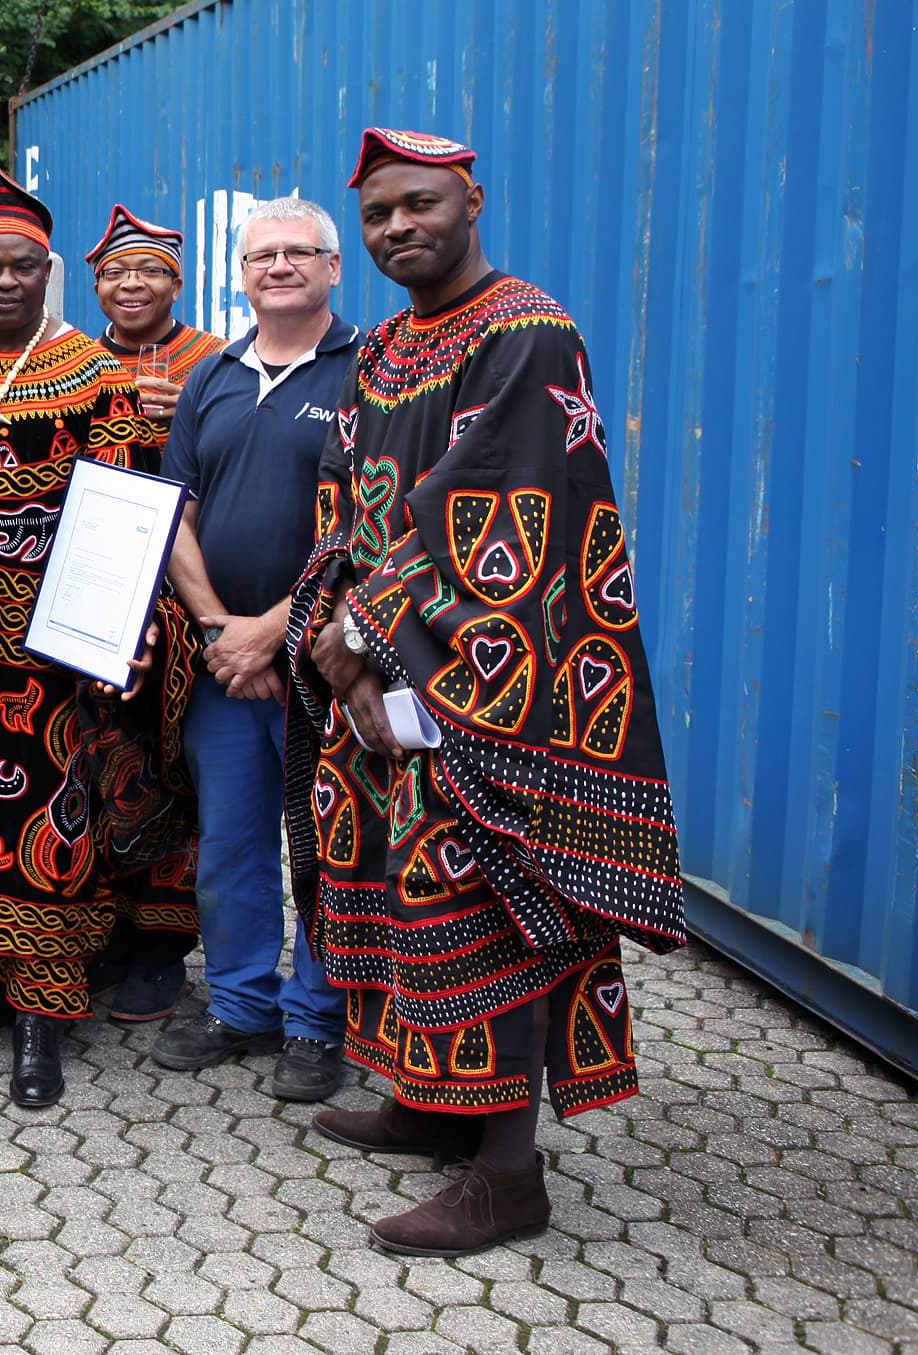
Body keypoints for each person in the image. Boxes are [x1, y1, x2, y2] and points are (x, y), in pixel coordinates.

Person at [290, 128, 684, 1255]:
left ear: (471, 200)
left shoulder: (525, 331)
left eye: (418, 204)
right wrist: (335, 631)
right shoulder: (381, 346)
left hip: (488, 680)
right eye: (377, 214)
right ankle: (427, 1099)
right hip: (386, 665)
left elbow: (502, 508)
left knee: (483, 897)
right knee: (393, 883)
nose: (396, 228)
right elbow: (345, 493)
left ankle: (507, 1173)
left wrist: (363, 633)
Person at [0, 168, 198, 1109]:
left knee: (49, 820)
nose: (5, 281)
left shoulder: (93, 373)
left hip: (49, 651)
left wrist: (118, 634)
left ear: (48, 272)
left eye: (22, 266)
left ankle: (42, 1013)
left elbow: (129, 509)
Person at [149, 196, 358, 1104]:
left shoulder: (370, 370)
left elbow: (368, 525)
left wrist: (275, 629)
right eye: (261, 255)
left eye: (297, 252)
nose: (278, 266)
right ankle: (241, 1004)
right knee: (231, 843)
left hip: (324, 667)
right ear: (240, 275)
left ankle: (317, 1020)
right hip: (223, 667)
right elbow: (175, 514)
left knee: (324, 845)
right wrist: (218, 631)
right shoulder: (214, 374)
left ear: (332, 267)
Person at [78, 204, 225, 1023]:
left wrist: (180, 425)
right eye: (115, 271)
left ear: (176, 282)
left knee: (175, 769)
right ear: (96, 284)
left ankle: (163, 947)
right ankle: (103, 932)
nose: (131, 283)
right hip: (98, 595)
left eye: (149, 271)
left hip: (185, 602)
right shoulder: (73, 358)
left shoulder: (214, 361)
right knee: (99, 763)